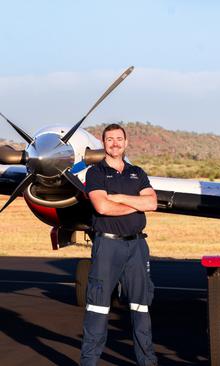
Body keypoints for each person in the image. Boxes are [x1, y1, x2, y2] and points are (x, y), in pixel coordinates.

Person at [81, 124, 158, 366]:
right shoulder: (95, 173)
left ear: (126, 143)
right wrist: (137, 203)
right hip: (108, 246)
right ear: (104, 144)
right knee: (98, 307)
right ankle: (89, 362)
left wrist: (121, 198)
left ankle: (147, 361)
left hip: (137, 247)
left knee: (141, 306)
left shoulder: (138, 172)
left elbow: (152, 203)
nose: (115, 143)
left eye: (119, 139)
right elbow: (102, 207)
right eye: (110, 139)